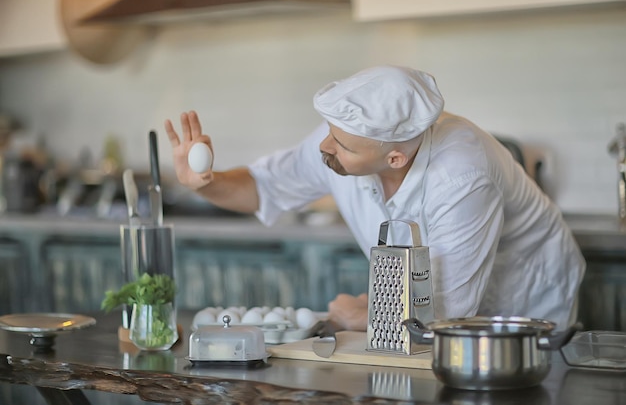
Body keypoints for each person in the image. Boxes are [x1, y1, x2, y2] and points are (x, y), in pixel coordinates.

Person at [164, 65, 586, 331]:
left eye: (341, 145)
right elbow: (263, 187)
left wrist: (365, 316)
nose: (325, 147)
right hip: (427, 318)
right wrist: (203, 181)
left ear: (396, 156)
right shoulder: (346, 137)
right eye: (328, 132)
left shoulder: (462, 176)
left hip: (525, 309)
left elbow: (444, 312)